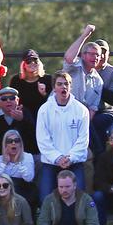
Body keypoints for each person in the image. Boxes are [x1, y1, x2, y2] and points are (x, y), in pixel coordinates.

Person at [36, 71, 89, 200]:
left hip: (74, 163)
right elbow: (42, 140)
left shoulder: (81, 110)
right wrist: (57, 158)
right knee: (45, 200)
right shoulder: (44, 110)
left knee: (79, 202)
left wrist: (70, 158)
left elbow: (83, 140)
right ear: (54, 87)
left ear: (71, 86)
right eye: (60, 84)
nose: (63, 87)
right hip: (50, 163)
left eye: (66, 84)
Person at [0, 86, 37, 161]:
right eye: (4, 99)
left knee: (39, 159)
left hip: (22, 158)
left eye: (12, 98)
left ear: (17, 100)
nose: (8, 101)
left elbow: (34, 140)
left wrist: (22, 120)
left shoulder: (24, 112)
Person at [62, 25, 103, 118]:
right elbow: (68, 57)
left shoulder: (98, 81)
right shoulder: (74, 66)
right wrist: (85, 35)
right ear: (83, 55)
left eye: (97, 55)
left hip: (80, 118)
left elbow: (93, 108)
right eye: (92, 54)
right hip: (61, 111)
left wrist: (85, 123)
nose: (95, 58)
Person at [0, 130, 37, 207]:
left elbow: (29, 178)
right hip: (4, 191)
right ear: (5, 145)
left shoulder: (28, 157)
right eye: (9, 141)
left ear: (20, 144)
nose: (13, 143)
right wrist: (4, 163)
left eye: (16, 140)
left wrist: (17, 162)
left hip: (23, 191)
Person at [92, 39, 113, 152]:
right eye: (100, 52)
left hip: (107, 112)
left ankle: (100, 156)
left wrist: (95, 83)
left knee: (97, 123)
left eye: (105, 52)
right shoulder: (85, 71)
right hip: (86, 110)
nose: (103, 55)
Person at [9, 50, 52, 122]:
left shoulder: (47, 79)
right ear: (23, 65)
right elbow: (11, 101)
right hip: (22, 118)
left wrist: (44, 94)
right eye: (28, 61)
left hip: (44, 117)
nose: (32, 63)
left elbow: (53, 102)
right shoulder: (16, 80)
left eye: (35, 61)